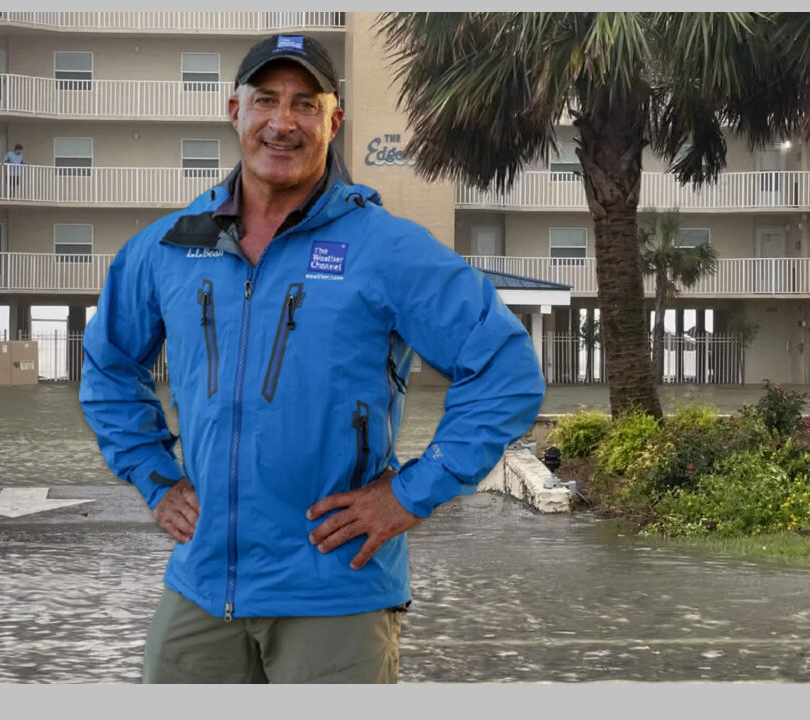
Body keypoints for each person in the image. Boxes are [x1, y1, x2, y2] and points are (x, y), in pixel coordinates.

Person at [80, 34, 545, 684]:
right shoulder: (168, 246)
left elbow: (505, 370)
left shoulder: (386, 248)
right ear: (235, 110)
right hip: (201, 588)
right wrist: (155, 478)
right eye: (266, 100)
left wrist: (413, 493)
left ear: (334, 119)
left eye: (305, 103)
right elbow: (107, 365)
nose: (283, 121)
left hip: (337, 592)